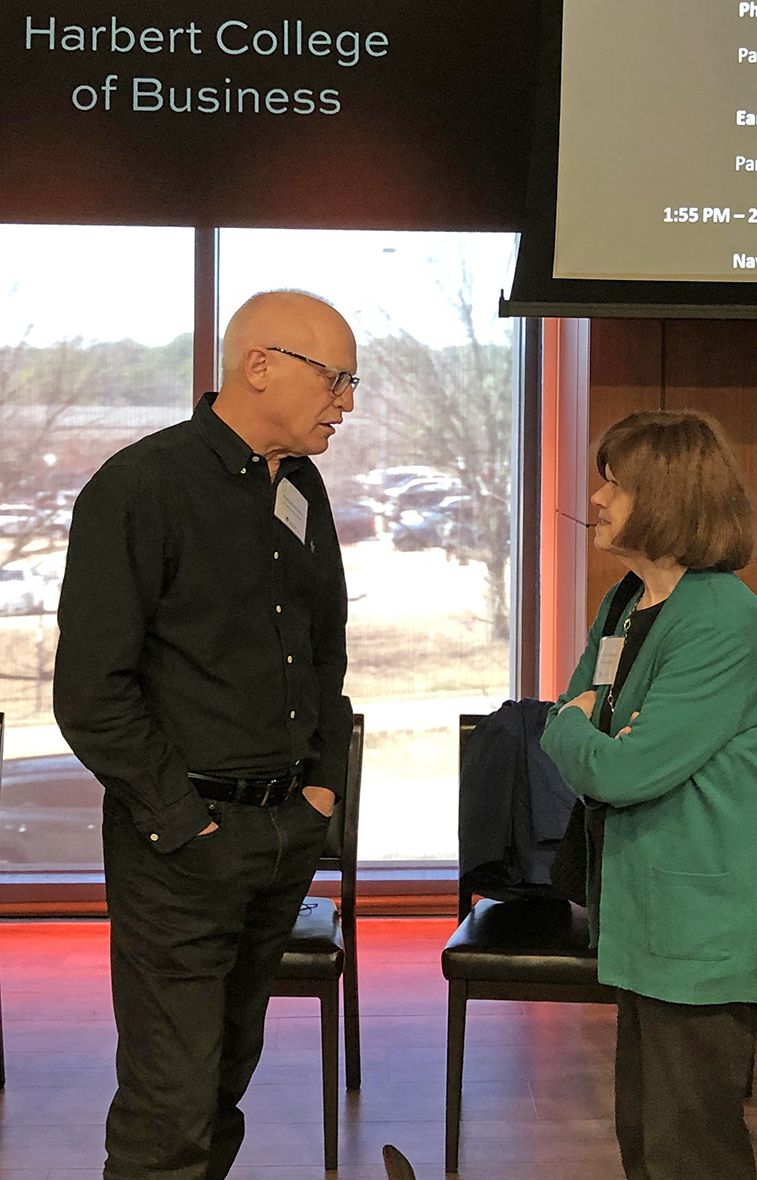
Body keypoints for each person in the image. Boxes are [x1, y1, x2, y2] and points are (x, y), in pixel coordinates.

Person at [53, 289, 358, 1180]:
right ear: (258, 366)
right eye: (335, 380)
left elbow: (325, 654)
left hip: (282, 835)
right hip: (182, 847)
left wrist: (322, 790)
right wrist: (184, 823)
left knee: (224, 1087)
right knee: (167, 1112)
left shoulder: (300, 486)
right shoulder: (140, 487)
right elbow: (92, 693)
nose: (346, 403)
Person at [540, 409, 757, 1180]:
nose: (595, 498)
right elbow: (573, 722)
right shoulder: (627, 601)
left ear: (668, 497)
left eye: (614, 485)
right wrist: (579, 729)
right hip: (647, 914)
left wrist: (575, 730)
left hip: (707, 923)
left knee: (691, 1151)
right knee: (648, 1142)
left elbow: (619, 770)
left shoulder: (724, 618)